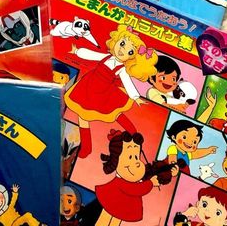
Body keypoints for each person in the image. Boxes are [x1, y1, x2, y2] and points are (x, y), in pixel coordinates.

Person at [64, 25, 158, 158]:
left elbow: (127, 81)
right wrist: (77, 51)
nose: (122, 50)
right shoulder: (107, 57)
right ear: (116, 40)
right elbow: (92, 55)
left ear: (132, 59)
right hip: (89, 86)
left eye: (130, 51)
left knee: (113, 111)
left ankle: (132, 132)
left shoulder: (122, 69)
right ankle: (87, 147)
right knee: (83, 114)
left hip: (104, 90)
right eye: (122, 43)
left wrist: (135, 96)